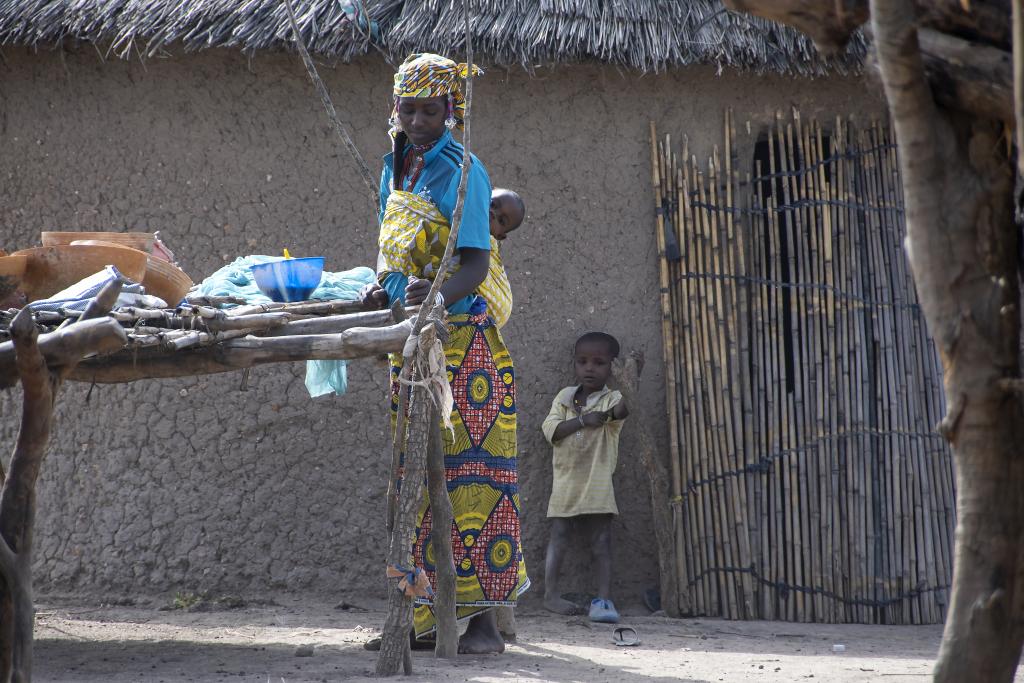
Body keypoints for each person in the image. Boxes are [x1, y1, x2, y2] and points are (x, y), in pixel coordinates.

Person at [360, 52, 529, 655]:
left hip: (465, 344)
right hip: (411, 343)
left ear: (451, 111)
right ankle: (423, 622)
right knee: (413, 480)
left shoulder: (464, 170)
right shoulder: (396, 167)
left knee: (472, 481)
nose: (419, 119)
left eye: (431, 109)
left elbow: (475, 263)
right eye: (409, 108)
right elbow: (391, 249)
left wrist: (433, 301)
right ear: (396, 109)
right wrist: (386, 285)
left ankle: (483, 625)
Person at [541, 331, 629, 623]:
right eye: (583, 361)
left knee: (601, 540)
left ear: (612, 367)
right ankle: (550, 595)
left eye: (600, 363)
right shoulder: (564, 399)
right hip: (566, 481)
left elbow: (621, 411)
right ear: (574, 365)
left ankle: (603, 600)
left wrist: (632, 380)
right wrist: (581, 421)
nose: (590, 368)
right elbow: (550, 430)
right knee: (559, 536)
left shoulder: (612, 399)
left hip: (597, 481)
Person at [478, 187, 525, 330]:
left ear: (499, 236)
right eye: (492, 204)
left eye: (501, 220)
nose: (493, 213)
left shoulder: (486, 241)